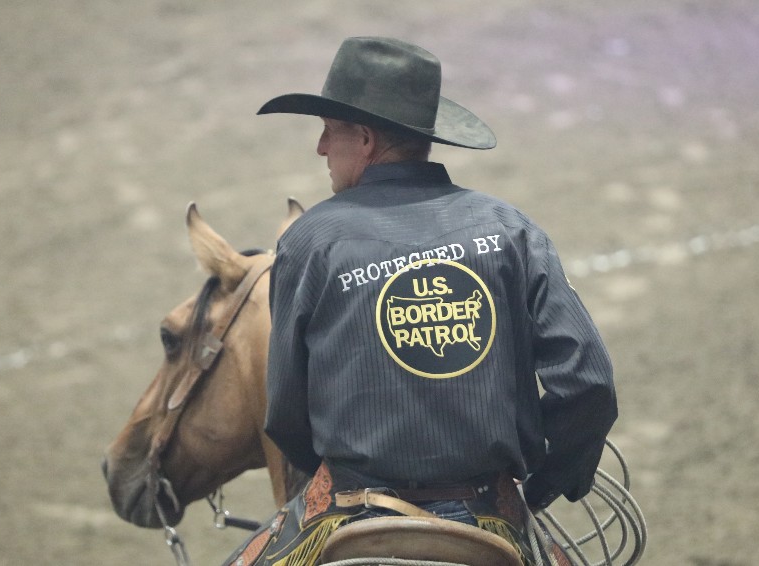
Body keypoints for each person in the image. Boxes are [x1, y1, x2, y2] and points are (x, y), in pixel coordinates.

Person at [224, 36, 616, 566]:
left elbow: (287, 412)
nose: (320, 147)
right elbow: (588, 382)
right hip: (486, 510)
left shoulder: (311, 240)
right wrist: (549, 478)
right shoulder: (509, 230)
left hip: (356, 509)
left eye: (328, 131)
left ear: (363, 139)